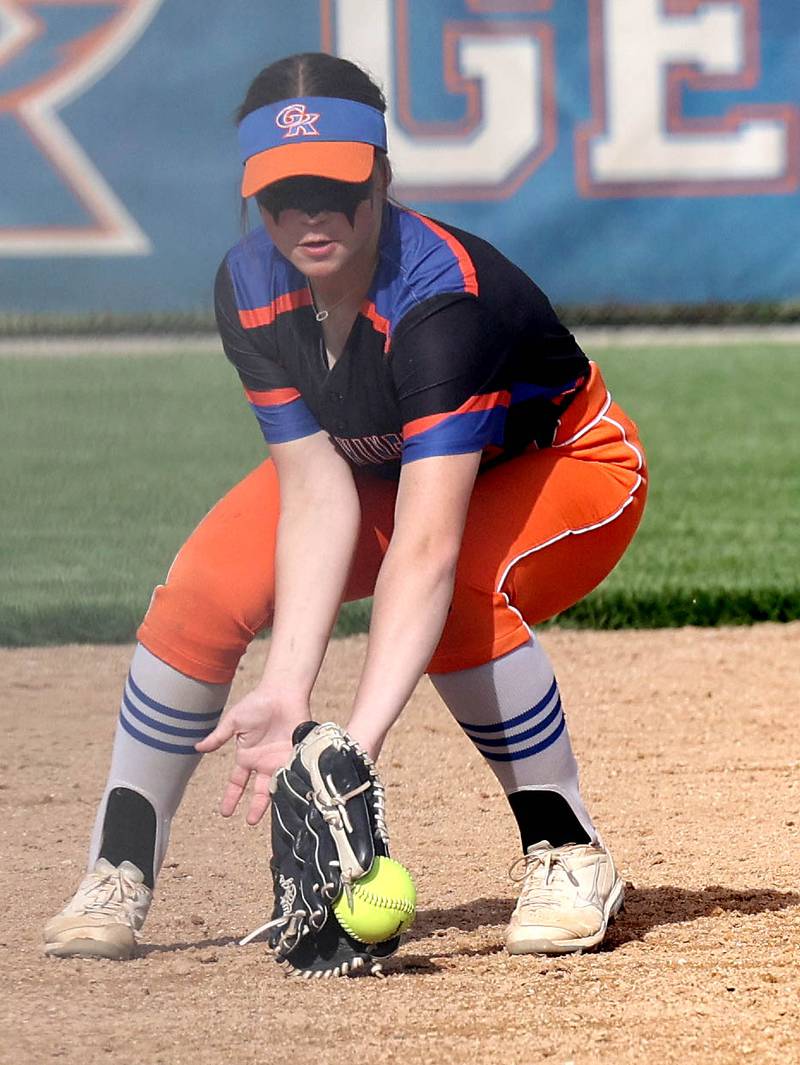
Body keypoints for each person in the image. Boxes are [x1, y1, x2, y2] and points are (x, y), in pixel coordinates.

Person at [44, 51, 647, 964]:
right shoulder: (250, 285)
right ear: (255, 198)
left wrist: (349, 748)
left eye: (335, 185)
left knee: (462, 596)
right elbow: (319, 494)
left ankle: (567, 849)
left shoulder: (441, 303)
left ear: (383, 178)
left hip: (563, 463)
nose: (311, 215)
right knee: (203, 592)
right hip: (381, 467)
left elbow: (426, 552)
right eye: (286, 194)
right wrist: (289, 690)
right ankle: (116, 866)